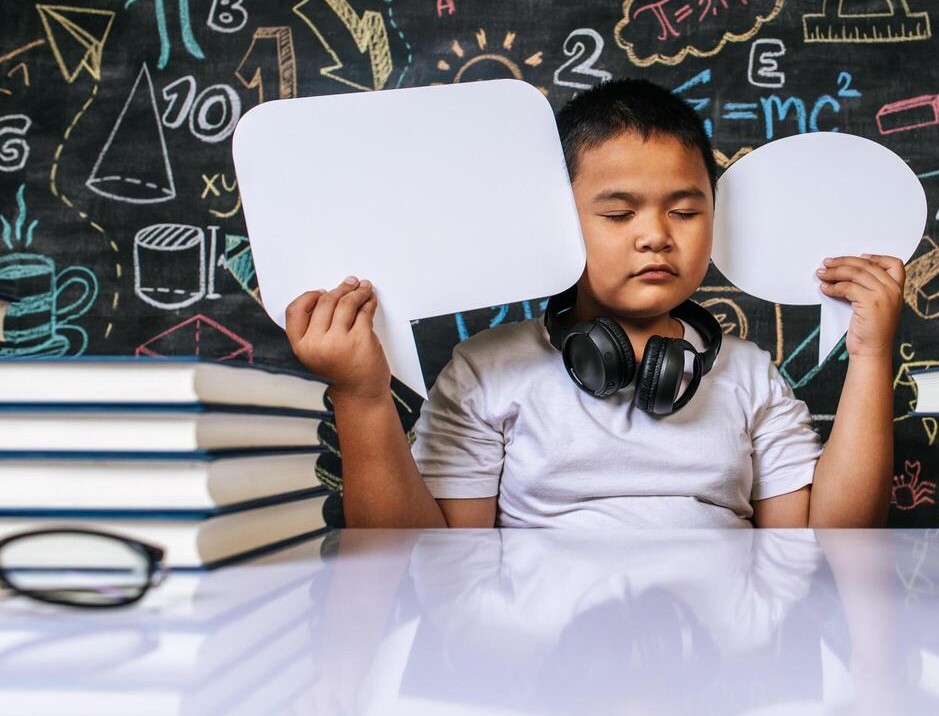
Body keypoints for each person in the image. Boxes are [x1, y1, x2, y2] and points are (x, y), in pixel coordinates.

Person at [283, 78, 903, 528]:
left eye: (685, 211)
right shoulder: (487, 372)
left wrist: (872, 356)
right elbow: (417, 565)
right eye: (618, 212)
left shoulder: (747, 376)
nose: (656, 234)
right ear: (556, 218)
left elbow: (835, 544)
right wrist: (359, 395)